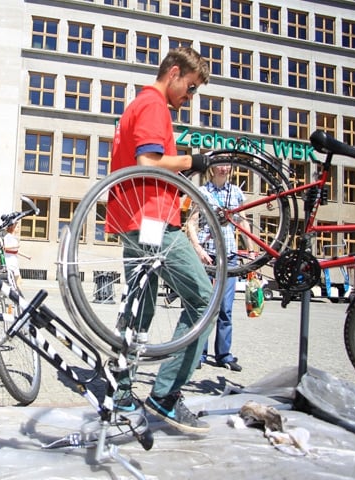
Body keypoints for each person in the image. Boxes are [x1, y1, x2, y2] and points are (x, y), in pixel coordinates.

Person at [107, 47, 212, 434]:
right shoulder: (154, 106)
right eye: (191, 87)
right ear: (173, 73)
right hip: (153, 220)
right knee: (204, 300)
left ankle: (120, 393)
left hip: (132, 219)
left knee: (139, 308)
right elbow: (148, 162)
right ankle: (165, 396)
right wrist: (192, 162)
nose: (190, 97)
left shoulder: (136, 103)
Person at [187, 164, 256, 372]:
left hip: (230, 256)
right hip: (207, 254)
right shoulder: (202, 191)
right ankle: (199, 353)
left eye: (227, 165)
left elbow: (243, 223)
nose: (224, 168)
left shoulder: (236, 192)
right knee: (205, 306)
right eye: (220, 165)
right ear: (212, 168)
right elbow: (191, 222)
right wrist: (198, 249)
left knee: (226, 308)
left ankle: (224, 355)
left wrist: (251, 250)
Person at [3, 222, 23, 289]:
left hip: (14, 259)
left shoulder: (13, 237)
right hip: (9, 259)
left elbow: (16, 251)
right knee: (14, 280)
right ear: (13, 228)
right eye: (17, 227)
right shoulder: (7, 236)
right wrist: (15, 245)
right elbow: (5, 247)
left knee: (18, 280)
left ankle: (18, 295)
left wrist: (27, 256)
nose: (18, 229)